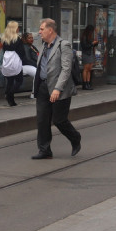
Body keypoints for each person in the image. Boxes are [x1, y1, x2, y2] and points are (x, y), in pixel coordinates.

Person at [31, 18, 81, 159]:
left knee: (59, 120)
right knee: (42, 120)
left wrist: (57, 89)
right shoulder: (42, 44)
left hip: (59, 89)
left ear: (50, 30)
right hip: (43, 87)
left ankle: (75, 137)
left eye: (42, 29)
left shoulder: (63, 45)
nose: (39, 32)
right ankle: (44, 150)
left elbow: (66, 69)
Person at [0, 20, 24, 106]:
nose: (18, 29)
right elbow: (21, 51)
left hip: (7, 59)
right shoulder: (18, 38)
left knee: (10, 80)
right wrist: (23, 59)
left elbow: (4, 50)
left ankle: (11, 100)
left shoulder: (4, 38)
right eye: (17, 27)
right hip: (15, 59)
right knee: (19, 80)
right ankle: (9, 94)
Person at [19, 32, 39, 99]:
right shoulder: (25, 46)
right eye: (29, 38)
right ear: (24, 39)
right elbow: (28, 60)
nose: (31, 39)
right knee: (37, 73)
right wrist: (37, 65)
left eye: (32, 38)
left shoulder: (32, 46)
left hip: (32, 65)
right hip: (24, 66)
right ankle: (34, 94)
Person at [79, 24, 97, 90]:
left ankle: (88, 83)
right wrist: (92, 44)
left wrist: (94, 44)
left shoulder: (89, 37)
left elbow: (90, 45)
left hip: (90, 53)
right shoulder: (84, 37)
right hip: (86, 53)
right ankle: (85, 83)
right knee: (86, 69)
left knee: (89, 69)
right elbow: (85, 47)